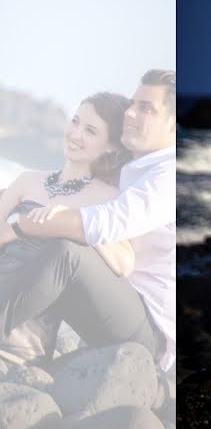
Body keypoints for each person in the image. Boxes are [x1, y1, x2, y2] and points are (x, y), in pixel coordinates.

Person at [2, 69, 177, 376]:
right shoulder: (132, 174)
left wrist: (30, 224)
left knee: (66, 251)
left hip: (146, 328)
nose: (132, 114)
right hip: (104, 301)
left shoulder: (163, 177)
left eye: (146, 108)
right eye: (75, 122)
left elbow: (117, 249)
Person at [0, 92, 133, 364]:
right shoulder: (28, 180)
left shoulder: (107, 198)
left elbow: (124, 263)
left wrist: (73, 221)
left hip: (24, 331)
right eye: (75, 122)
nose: (75, 133)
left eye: (90, 130)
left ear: (111, 147)